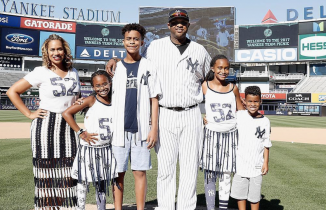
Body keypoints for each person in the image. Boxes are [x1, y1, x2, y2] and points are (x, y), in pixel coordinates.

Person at [106, 9, 211, 210]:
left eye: (183, 21)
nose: (179, 24)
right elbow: (135, 59)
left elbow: (206, 78)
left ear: (188, 25)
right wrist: (117, 60)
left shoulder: (200, 50)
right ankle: (165, 207)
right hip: (164, 113)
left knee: (190, 168)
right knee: (165, 169)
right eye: (175, 22)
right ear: (169, 26)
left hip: (191, 113)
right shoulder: (154, 47)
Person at [6, 34, 79, 209]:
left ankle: (62, 207)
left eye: (59, 49)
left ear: (65, 50)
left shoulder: (74, 71)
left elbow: (76, 98)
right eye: (52, 49)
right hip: (46, 126)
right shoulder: (40, 72)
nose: (56, 52)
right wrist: (29, 114)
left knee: (67, 174)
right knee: (46, 174)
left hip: (69, 127)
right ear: (46, 51)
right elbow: (12, 91)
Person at [111, 23, 159, 210]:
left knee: (140, 172)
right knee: (118, 173)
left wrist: (153, 128)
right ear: (123, 42)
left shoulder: (149, 66)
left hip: (141, 130)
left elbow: (154, 99)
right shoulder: (115, 68)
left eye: (136, 39)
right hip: (118, 131)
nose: (132, 42)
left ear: (142, 42)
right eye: (129, 39)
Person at [62, 70, 117, 210]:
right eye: (97, 85)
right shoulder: (91, 100)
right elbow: (66, 113)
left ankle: (101, 208)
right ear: (93, 88)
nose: (102, 88)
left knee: (102, 182)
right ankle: (80, 207)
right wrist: (81, 132)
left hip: (106, 149)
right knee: (83, 181)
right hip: (89, 149)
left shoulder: (115, 100)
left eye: (105, 84)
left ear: (110, 83)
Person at [201, 54, 244, 210]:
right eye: (220, 67)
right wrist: (202, 118)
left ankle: (223, 207)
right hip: (211, 134)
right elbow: (193, 106)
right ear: (213, 68)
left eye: (226, 68)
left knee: (226, 174)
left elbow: (240, 111)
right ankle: (211, 207)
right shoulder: (205, 85)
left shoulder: (233, 88)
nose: (223, 71)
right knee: (210, 173)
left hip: (231, 135)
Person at [230, 86, 272, 210]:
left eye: (255, 101)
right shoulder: (240, 115)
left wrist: (265, 162)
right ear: (245, 101)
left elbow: (266, 143)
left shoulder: (265, 121)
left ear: (260, 102)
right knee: (240, 195)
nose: (252, 104)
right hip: (241, 164)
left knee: (254, 197)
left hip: (256, 166)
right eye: (249, 101)